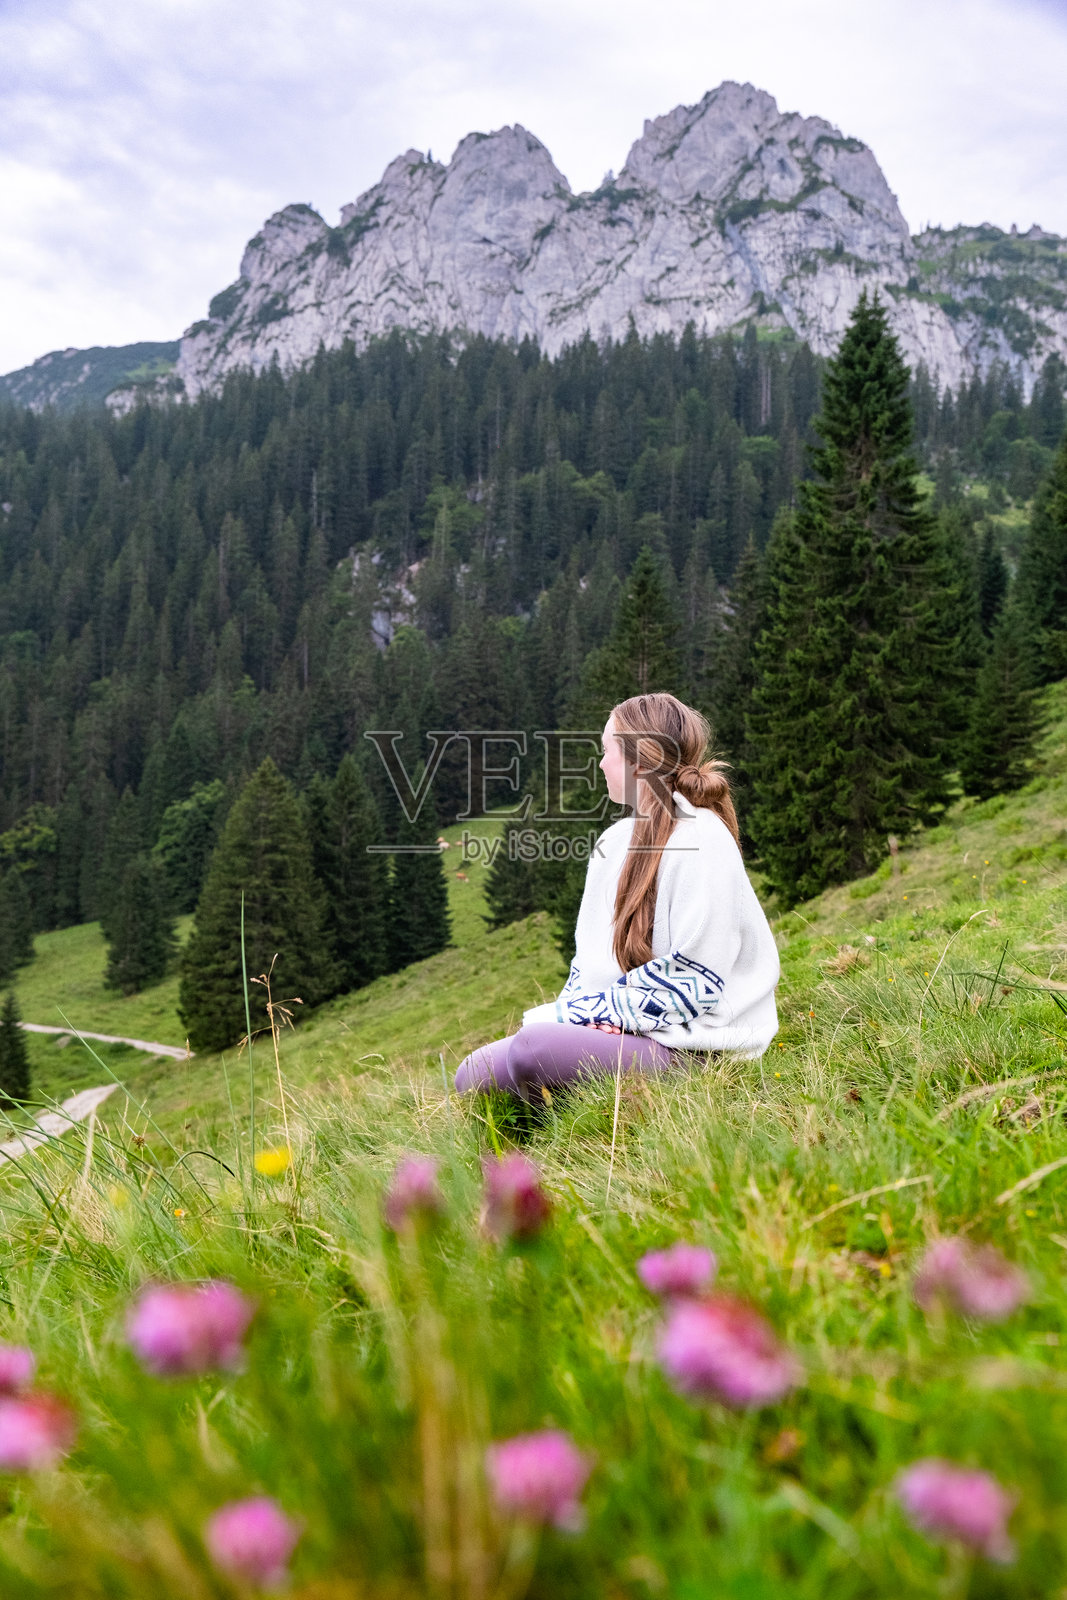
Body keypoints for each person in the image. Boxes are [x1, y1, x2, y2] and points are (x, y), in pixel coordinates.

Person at [454, 692, 780, 1100]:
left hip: (699, 1045)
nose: (601, 763)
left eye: (607, 750)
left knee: (532, 1050)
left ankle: (578, 1111)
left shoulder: (702, 838)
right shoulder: (614, 843)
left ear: (638, 760)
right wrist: (590, 1019)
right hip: (636, 1032)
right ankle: (565, 1116)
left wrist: (610, 1019)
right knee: (473, 1072)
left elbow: (696, 977)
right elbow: (591, 966)